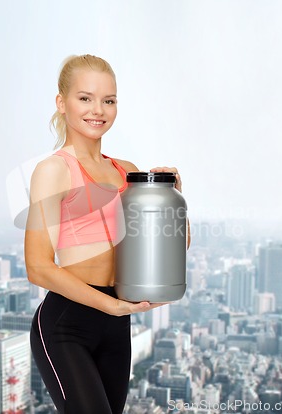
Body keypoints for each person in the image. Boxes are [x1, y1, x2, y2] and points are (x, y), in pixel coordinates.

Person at [25, 54, 188, 414]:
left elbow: (173, 244)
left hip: (116, 326)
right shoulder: (53, 170)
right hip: (67, 324)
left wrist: (173, 193)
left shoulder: (127, 172)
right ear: (61, 103)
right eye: (85, 98)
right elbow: (38, 267)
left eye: (108, 100)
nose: (98, 109)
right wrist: (111, 305)